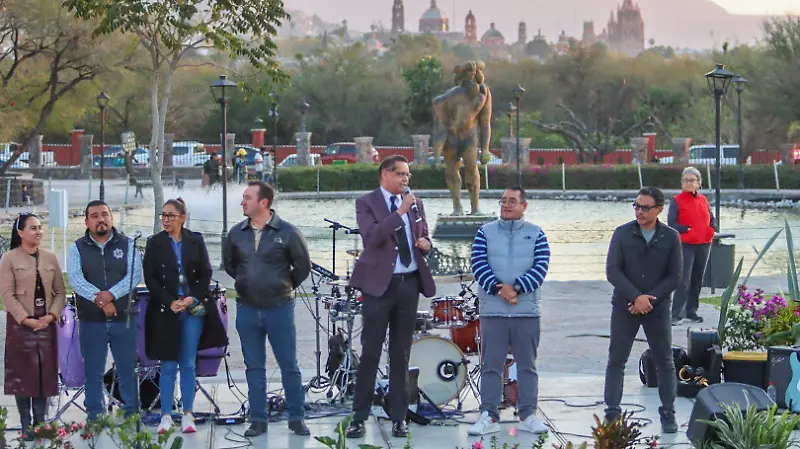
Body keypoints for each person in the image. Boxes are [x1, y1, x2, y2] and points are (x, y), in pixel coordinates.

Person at [345, 155, 436, 439]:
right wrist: (398, 213)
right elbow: (372, 237)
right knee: (370, 353)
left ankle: (399, 417)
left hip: (408, 285)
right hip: (378, 288)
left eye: (408, 175)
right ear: (385, 174)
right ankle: (359, 417)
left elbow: (425, 237)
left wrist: (426, 244)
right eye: (401, 175)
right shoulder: (367, 202)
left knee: (401, 354)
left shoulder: (415, 203)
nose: (406, 180)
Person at [222, 181, 312, 437]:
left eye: (247, 198)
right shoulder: (236, 233)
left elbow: (302, 266)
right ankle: (258, 420)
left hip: (279, 308)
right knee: (254, 366)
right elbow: (231, 265)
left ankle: (297, 418)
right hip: (247, 308)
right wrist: (247, 284)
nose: (242, 202)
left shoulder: (289, 232)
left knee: (289, 365)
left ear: (263, 202)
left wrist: (281, 285)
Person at [467, 187, 550, 436]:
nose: (506, 205)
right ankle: (488, 415)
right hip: (494, 312)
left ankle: (527, 414)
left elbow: (541, 266)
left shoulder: (537, 234)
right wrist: (499, 289)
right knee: (491, 365)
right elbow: (478, 263)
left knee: (527, 366)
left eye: (512, 201)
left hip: (526, 311)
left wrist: (517, 289)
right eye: (503, 201)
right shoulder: (485, 232)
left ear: (524, 205)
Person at [144, 198, 228, 434]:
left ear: (182, 217)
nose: (166, 220)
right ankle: (166, 416)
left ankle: (188, 414)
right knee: (168, 363)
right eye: (163, 215)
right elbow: (150, 277)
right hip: (167, 309)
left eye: (171, 215)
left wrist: (192, 298)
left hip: (192, 308)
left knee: (188, 362)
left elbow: (205, 273)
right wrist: (170, 301)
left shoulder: (195, 240)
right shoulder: (155, 243)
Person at [604, 187, 682, 433]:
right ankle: (612, 414)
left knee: (665, 363)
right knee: (616, 360)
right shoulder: (622, 233)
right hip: (625, 306)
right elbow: (613, 271)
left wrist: (649, 300)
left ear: (659, 210)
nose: (639, 211)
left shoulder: (670, 237)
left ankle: (668, 414)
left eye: (645, 207)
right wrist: (636, 297)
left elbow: (675, 276)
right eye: (636, 206)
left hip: (656, 309)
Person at [66, 200, 143, 422]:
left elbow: (133, 275)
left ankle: (131, 414)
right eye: (95, 216)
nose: (101, 219)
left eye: (105, 214)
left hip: (123, 318)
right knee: (94, 371)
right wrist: (101, 302)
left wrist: (110, 296)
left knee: (127, 369)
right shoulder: (77, 247)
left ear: (111, 217)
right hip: (92, 321)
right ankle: (95, 416)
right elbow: (76, 280)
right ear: (87, 221)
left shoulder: (127, 244)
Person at [0, 214, 66, 441]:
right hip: (21, 326)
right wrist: (26, 319)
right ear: (20, 232)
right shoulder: (9, 258)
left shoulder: (50, 257)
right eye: (33, 228)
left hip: (46, 324)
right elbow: (7, 295)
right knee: (22, 375)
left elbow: (60, 292)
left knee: (44, 374)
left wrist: (52, 316)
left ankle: (40, 424)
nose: (38, 232)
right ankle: (26, 425)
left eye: (40, 227)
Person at [668, 167, 716, 326]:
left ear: (698, 183)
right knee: (684, 279)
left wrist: (711, 229)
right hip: (686, 245)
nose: (688, 183)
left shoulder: (703, 199)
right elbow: (671, 223)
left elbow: (712, 218)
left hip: (704, 244)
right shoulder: (676, 200)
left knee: (697, 279)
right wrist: (687, 229)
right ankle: (676, 314)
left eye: (691, 180)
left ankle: (691, 311)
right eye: (685, 180)